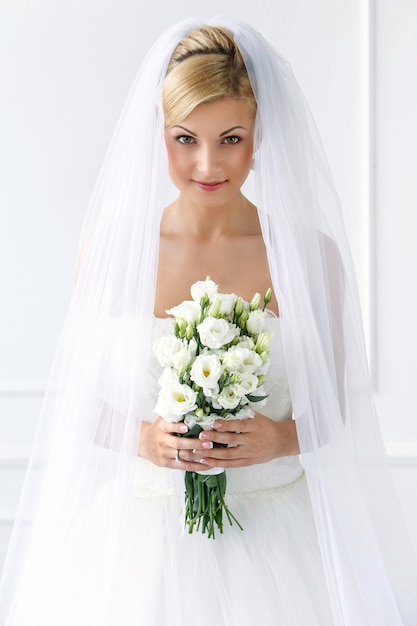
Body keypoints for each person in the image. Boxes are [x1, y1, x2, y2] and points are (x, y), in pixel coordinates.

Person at [1, 16, 416, 626]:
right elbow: (81, 404)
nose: (206, 164)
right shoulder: (115, 251)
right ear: (158, 135)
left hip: (276, 527)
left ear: (260, 133)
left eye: (230, 138)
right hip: (144, 542)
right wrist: (144, 439)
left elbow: (334, 411)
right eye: (184, 139)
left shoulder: (310, 254)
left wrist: (279, 439)